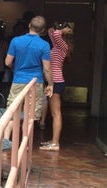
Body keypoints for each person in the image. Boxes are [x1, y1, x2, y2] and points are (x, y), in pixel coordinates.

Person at [5, 16, 53, 122]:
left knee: (12, 113)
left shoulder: (16, 41)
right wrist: (50, 84)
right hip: (36, 82)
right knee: (31, 116)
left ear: (29, 25)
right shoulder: (45, 45)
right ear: (43, 30)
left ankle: (8, 137)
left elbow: (7, 62)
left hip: (18, 80)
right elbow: (47, 69)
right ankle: (26, 137)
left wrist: (15, 68)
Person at [40, 22, 72, 151]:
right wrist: (58, 26)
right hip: (53, 81)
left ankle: (55, 143)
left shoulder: (63, 46)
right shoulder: (57, 46)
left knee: (56, 113)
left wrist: (62, 30)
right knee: (54, 113)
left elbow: (56, 34)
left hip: (57, 82)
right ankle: (53, 141)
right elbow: (50, 31)